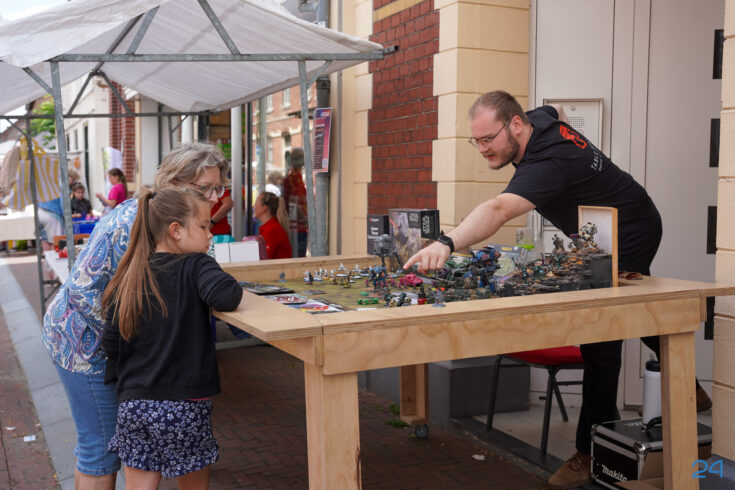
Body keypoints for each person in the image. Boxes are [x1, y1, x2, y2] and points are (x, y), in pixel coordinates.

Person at [402, 90, 688, 489]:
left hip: (630, 228)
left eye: (488, 139)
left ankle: (589, 454)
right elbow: (557, 109)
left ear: (516, 124)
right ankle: (687, 383)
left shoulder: (548, 162)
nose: (483, 149)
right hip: (605, 231)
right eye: (476, 140)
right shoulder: (539, 120)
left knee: (601, 337)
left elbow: (498, 210)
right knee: (627, 315)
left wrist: (446, 243)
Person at [42, 142, 229, 490]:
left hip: (107, 345)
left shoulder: (175, 219)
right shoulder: (134, 222)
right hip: (82, 343)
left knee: (112, 450)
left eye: (218, 188)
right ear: (174, 181)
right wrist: (140, 347)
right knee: (100, 452)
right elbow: (84, 293)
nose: (214, 198)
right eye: (206, 188)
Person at [101, 186, 242, 488]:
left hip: (134, 404)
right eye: (203, 226)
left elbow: (110, 343)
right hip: (184, 405)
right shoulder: (196, 264)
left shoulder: (130, 274)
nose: (210, 235)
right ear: (176, 230)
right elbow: (226, 295)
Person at [282, 148, 308, 257]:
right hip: (297, 228)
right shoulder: (294, 178)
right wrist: (305, 219)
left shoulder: (294, 177)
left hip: (298, 227)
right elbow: (294, 205)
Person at [253, 190, 292, 259]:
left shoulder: (272, 230)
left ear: (264, 208)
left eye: (256, 204)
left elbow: (263, 259)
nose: (254, 206)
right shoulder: (270, 228)